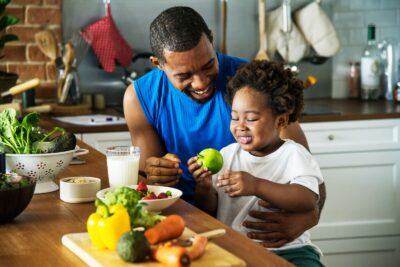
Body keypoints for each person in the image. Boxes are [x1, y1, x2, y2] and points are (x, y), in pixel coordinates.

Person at [123, 6, 326, 248]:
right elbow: (149, 187)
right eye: (184, 75)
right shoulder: (140, 97)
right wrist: (155, 173)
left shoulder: (251, 85)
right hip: (176, 225)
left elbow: (310, 177)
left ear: (211, 41)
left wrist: (307, 219)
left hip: (254, 234)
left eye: (208, 65)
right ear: (158, 64)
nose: (201, 82)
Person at [188, 60, 324, 266]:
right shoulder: (227, 155)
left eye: (250, 119)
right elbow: (210, 211)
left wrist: (256, 185)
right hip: (235, 249)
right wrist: (204, 189)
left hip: (289, 250)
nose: (240, 126)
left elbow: (307, 200)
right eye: (234, 118)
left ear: (280, 121)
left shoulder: (294, 154)